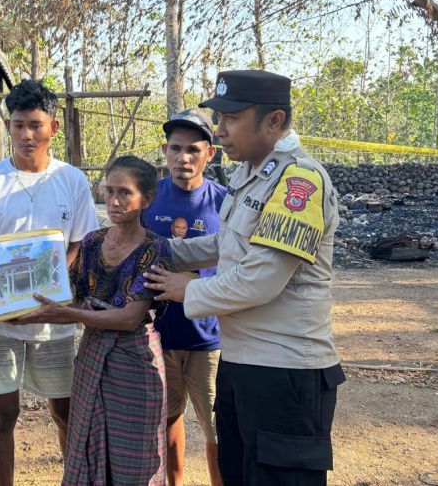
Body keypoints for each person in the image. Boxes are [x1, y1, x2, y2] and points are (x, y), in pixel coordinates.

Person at [145, 69, 346, 486]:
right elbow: (224, 247)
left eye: (231, 119)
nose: (220, 130)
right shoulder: (250, 175)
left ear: (273, 120)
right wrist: (156, 252)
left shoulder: (299, 182)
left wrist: (188, 290)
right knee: (238, 475)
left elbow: (261, 279)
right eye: (220, 119)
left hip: (285, 371)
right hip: (243, 364)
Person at [0, 79, 98, 486]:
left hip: (55, 319)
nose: (26, 135)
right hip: (1, 322)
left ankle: (73, 479)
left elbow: (81, 243)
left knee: (65, 411)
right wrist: (9, 307)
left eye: (35, 125)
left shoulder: (72, 181)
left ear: (53, 128)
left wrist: (53, 293)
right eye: (18, 125)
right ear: (7, 126)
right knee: (4, 413)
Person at [16, 155, 170, 485]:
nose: (114, 201)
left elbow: (130, 318)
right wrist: (19, 310)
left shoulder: (154, 249)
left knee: (136, 460)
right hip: (92, 356)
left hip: (135, 362)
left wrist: (65, 314)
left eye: (125, 193)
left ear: (147, 198)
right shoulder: (92, 242)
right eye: (109, 190)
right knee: (88, 446)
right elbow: (70, 296)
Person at [143, 108, 226, 486]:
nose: (183, 158)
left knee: (219, 430)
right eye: (175, 149)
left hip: (207, 337)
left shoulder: (226, 203)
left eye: (193, 149)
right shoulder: (147, 200)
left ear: (210, 154)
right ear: (165, 150)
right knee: (167, 420)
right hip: (158, 336)